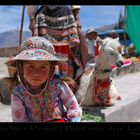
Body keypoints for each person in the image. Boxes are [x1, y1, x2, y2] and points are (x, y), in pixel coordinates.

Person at [6, 36, 82, 122]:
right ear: (21, 68)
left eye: (43, 67)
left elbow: (74, 107)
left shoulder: (58, 85)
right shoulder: (18, 93)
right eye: (30, 66)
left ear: (51, 68)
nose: (36, 73)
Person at [27, 5, 87, 80]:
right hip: (44, 15)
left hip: (65, 14)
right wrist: (32, 18)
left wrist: (77, 15)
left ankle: (67, 80)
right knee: (44, 49)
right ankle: (46, 78)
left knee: (68, 51)